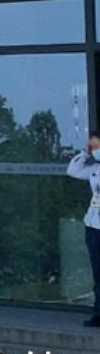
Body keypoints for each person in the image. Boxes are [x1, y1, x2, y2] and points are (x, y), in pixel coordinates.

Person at [69, 132, 100, 328]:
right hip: (94, 226)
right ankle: (98, 313)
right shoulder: (95, 169)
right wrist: (85, 152)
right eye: (93, 147)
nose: (95, 150)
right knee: (98, 271)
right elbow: (73, 170)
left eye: (97, 146)